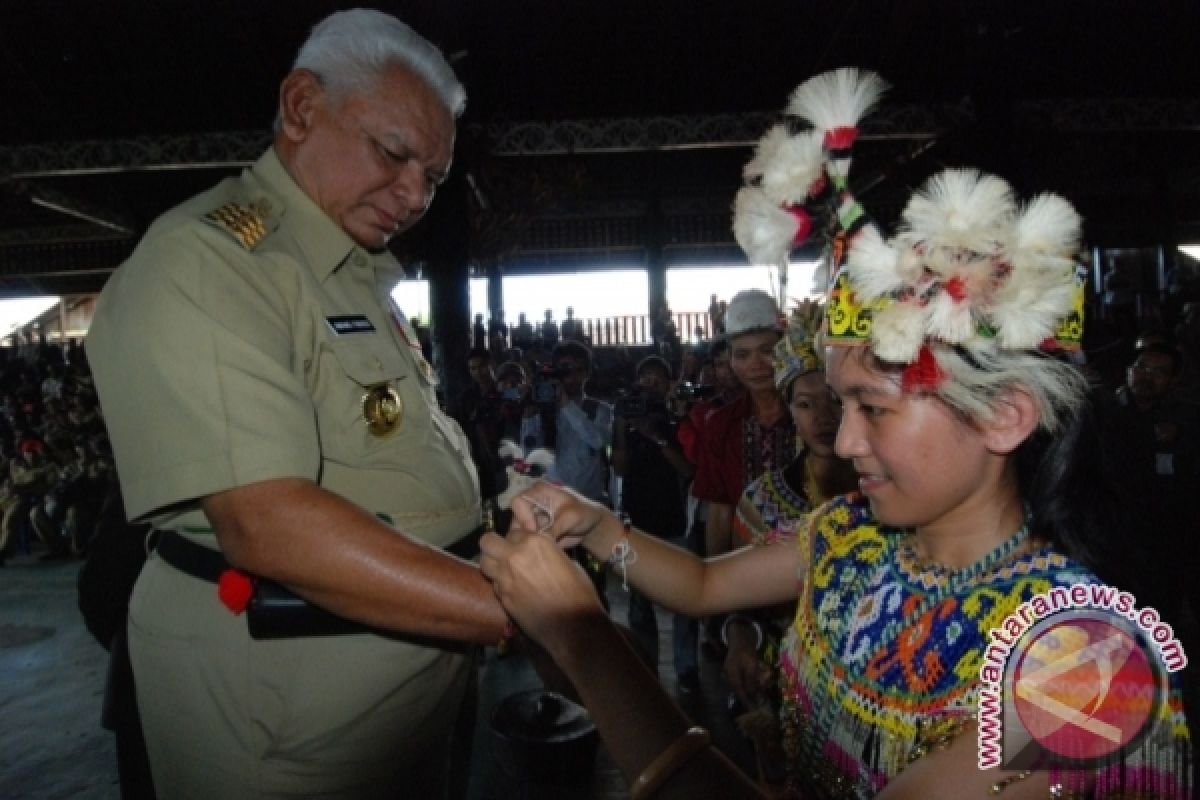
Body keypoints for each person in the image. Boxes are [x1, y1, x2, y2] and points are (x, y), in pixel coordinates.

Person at [480, 68, 1193, 799]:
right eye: (838, 403)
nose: (843, 441)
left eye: (874, 408)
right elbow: (700, 584)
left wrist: (582, 637)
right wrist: (592, 522)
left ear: (1005, 415)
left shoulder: (1087, 662)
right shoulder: (852, 536)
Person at [84, 10, 508, 798]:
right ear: (302, 107)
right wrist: (521, 609)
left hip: (397, 703)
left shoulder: (350, 269)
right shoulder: (212, 260)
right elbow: (266, 523)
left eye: (435, 177)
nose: (415, 194)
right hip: (289, 729)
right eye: (394, 153)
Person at [612, 355, 697, 692]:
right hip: (638, 517)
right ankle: (647, 668)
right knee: (639, 602)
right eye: (644, 379)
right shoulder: (626, 417)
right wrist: (622, 425)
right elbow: (619, 467)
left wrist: (655, 434)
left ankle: (686, 667)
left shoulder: (679, 418)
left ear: (669, 383)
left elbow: (688, 470)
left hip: (676, 517)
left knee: (685, 597)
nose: (650, 386)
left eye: (657, 380)